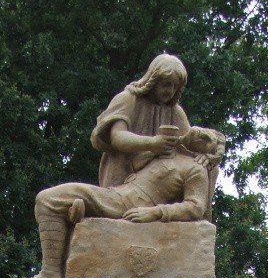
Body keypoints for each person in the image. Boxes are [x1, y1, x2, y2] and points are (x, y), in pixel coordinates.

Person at [18, 136, 222, 278]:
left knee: (47, 199)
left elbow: (195, 207)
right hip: (116, 193)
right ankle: (52, 270)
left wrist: (155, 212)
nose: (195, 135)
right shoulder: (165, 153)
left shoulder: (196, 170)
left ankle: (52, 269)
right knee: (46, 199)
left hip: (129, 204)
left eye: (205, 138)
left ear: (209, 149)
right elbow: (132, 162)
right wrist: (157, 147)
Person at [91, 53, 224, 205]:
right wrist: (152, 143)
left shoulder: (174, 111)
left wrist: (208, 155)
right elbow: (117, 137)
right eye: (166, 84)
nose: (170, 91)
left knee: (205, 169)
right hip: (123, 175)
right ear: (153, 80)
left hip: (157, 182)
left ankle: (188, 213)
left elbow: (188, 145)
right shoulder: (128, 99)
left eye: (175, 86)